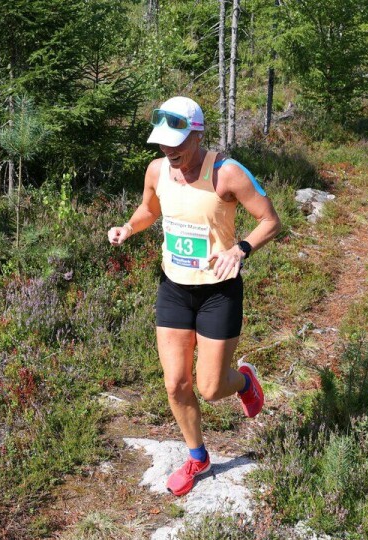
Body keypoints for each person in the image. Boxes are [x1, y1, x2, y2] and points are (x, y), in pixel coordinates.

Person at [108, 96, 281, 497]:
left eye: (177, 144)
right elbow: (148, 210)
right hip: (174, 289)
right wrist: (128, 228)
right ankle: (197, 455)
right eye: (163, 145)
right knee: (175, 385)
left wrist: (240, 249)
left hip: (219, 293)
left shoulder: (227, 173)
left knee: (209, 387)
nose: (169, 152)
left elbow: (270, 220)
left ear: (198, 134)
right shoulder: (157, 170)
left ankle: (243, 382)